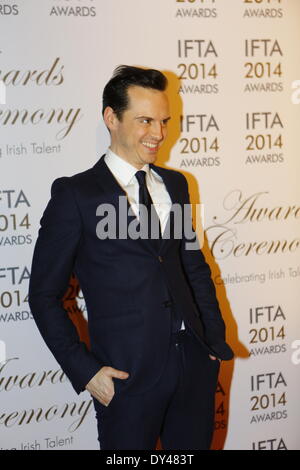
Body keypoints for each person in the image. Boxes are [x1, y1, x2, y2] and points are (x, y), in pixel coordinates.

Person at [29, 65, 233, 450]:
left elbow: (193, 266)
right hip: (127, 380)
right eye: (144, 121)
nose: (157, 133)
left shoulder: (176, 184)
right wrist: (87, 373)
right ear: (111, 118)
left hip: (194, 367)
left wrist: (212, 342)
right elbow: (43, 296)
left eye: (163, 121)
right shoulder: (76, 195)